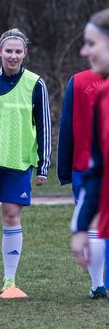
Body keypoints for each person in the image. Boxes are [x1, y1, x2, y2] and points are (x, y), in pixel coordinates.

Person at [0, 28, 51, 292]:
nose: (13, 56)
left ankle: (9, 280)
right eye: (9, 51)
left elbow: (44, 126)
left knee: (11, 217)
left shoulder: (35, 83)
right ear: (0, 52)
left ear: (25, 53)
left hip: (18, 162)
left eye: (18, 51)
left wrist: (43, 164)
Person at [57, 69, 107, 299]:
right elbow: (68, 124)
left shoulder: (77, 80)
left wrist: (65, 169)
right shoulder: (78, 81)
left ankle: (99, 285)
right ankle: (99, 285)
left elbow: (66, 125)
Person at [70, 9, 109, 287]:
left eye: (92, 43)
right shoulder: (102, 98)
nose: (84, 52)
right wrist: (82, 226)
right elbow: (98, 169)